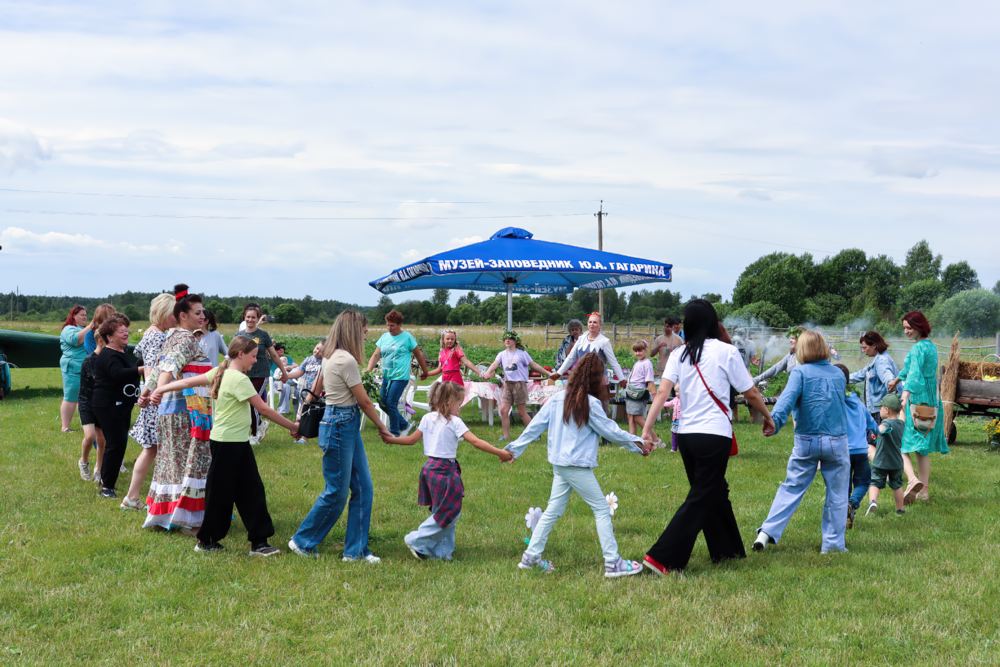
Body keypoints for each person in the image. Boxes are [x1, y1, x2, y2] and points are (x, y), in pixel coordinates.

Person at [640, 299, 773, 575]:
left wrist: (647, 429)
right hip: (714, 435)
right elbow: (749, 392)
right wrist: (768, 417)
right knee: (701, 496)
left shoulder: (679, 354)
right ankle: (662, 557)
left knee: (714, 491)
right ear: (714, 322)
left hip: (687, 436)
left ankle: (728, 551)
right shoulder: (727, 351)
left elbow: (662, 393)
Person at [505, 353, 650, 578]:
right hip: (576, 466)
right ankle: (613, 563)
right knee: (601, 509)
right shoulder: (589, 403)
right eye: (603, 375)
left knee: (553, 510)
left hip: (561, 464)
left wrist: (515, 448)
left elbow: (534, 427)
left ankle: (531, 557)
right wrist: (638, 443)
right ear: (594, 378)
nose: (605, 380)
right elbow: (610, 431)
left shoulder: (557, 398)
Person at [152, 336, 299, 556]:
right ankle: (207, 541)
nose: (254, 361)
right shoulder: (238, 379)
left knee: (250, 491)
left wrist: (160, 389)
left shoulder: (220, 373)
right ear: (240, 354)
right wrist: (293, 426)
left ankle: (258, 542)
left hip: (233, 444)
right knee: (222, 494)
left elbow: (184, 383)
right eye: (252, 356)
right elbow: (265, 410)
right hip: (228, 445)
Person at [288, 310, 393, 561]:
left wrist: (302, 414)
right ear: (353, 330)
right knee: (336, 490)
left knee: (363, 488)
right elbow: (365, 402)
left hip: (344, 424)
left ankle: (355, 551)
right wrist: (382, 427)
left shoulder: (331, 356)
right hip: (338, 425)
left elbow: (317, 388)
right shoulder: (344, 360)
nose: (367, 333)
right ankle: (303, 541)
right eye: (364, 329)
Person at [381, 381, 512, 560]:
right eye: (459, 403)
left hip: (429, 470)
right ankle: (416, 539)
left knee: (441, 510)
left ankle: (442, 552)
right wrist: (500, 453)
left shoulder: (428, 418)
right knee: (450, 511)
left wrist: (392, 439)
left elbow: (411, 440)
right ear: (449, 402)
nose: (460, 407)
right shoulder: (454, 422)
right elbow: (476, 441)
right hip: (445, 471)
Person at [752, 330, 849, 555]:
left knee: (791, 488)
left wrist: (773, 421)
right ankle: (833, 545)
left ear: (801, 350)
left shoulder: (800, 373)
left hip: (806, 441)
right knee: (837, 494)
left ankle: (766, 533)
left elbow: (786, 400)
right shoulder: (838, 374)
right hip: (837, 441)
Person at [140, 285, 213, 531]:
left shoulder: (172, 337)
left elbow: (160, 367)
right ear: (183, 316)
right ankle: (188, 520)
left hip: (171, 412)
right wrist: (158, 390)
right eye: (198, 313)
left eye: (203, 313)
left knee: (171, 463)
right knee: (190, 462)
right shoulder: (185, 339)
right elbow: (169, 368)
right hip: (185, 412)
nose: (203, 317)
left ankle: (169, 516)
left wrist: (147, 391)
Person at [121, 293, 176, 511]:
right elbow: (153, 368)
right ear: (163, 313)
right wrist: (153, 394)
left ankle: (133, 497)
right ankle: (134, 497)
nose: (176, 318)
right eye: (173, 314)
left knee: (151, 449)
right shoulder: (156, 337)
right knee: (153, 449)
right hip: (157, 400)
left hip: (154, 397)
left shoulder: (153, 334)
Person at [887, 311, 948, 504]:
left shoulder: (917, 349)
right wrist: (897, 379)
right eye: (904, 327)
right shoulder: (930, 347)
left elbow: (913, 374)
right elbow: (913, 369)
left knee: (899, 442)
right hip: (931, 402)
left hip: (916, 400)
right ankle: (924, 491)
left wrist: (904, 396)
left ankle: (913, 480)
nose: (906, 331)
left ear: (919, 326)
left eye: (909, 327)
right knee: (921, 448)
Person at [92, 315, 144, 499]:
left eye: (126, 330)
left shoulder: (120, 353)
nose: (125, 333)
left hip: (119, 406)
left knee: (118, 444)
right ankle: (107, 487)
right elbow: (117, 373)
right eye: (121, 331)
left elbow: (127, 371)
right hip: (108, 406)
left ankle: (106, 481)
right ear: (109, 337)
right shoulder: (108, 355)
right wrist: (140, 369)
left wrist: (141, 362)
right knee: (115, 444)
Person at [367, 309, 429, 436]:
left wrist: (425, 371)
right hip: (386, 376)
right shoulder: (384, 337)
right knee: (382, 402)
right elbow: (376, 355)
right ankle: (405, 424)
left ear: (399, 324)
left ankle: (395, 432)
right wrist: (368, 371)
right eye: (388, 325)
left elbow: (418, 354)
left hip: (400, 376)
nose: (389, 328)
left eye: (392, 325)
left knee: (391, 402)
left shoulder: (407, 337)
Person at [482, 330, 550, 441]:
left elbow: (533, 365)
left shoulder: (522, 353)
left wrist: (548, 373)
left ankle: (535, 434)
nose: (507, 340)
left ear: (515, 341)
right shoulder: (502, 354)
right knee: (504, 410)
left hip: (519, 384)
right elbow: (495, 364)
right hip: (508, 385)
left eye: (510, 339)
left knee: (522, 412)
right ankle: (506, 436)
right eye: (505, 339)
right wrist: (488, 372)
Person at [237, 304, 288, 443]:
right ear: (244, 317)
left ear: (258, 318)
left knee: (253, 404)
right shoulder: (239, 335)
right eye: (248, 317)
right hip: (244, 375)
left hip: (261, 374)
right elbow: (234, 356)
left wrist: (284, 372)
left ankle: (254, 435)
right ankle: (260, 424)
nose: (250, 320)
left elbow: (274, 355)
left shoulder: (263, 335)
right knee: (245, 404)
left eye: (253, 317)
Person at [836, 364, 876, 529]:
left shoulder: (836, 403)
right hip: (860, 450)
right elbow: (872, 424)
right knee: (864, 481)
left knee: (843, 484)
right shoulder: (858, 402)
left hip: (842, 450)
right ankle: (852, 504)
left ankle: (845, 509)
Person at [550, 312, 626, 392]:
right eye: (590, 322)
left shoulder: (604, 342)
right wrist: (559, 373)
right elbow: (571, 358)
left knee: (597, 403)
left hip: (598, 381)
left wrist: (621, 379)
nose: (592, 324)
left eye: (595, 322)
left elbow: (613, 362)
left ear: (600, 325)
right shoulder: (581, 339)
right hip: (582, 379)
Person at [866, 393, 907, 516]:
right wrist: (903, 409)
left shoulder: (886, 424)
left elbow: (882, 430)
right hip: (896, 463)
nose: (879, 410)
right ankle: (900, 509)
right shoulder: (901, 424)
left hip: (881, 462)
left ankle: (872, 502)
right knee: (897, 485)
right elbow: (902, 417)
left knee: (874, 482)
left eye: (881, 408)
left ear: (887, 411)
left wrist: (877, 429)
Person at [849, 331, 900, 423]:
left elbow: (888, 378)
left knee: (878, 436)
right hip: (878, 409)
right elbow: (860, 374)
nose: (863, 351)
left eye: (865, 348)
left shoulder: (881, 361)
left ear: (874, 346)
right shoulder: (877, 359)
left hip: (881, 411)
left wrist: (890, 383)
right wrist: (841, 377)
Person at [76, 332, 106, 483]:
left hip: (101, 404)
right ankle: (83, 461)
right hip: (86, 402)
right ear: (101, 341)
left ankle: (99, 469)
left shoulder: (108, 359)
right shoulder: (89, 360)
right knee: (90, 436)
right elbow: (99, 381)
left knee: (102, 439)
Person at [59, 305, 93, 431]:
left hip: (85, 367)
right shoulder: (68, 329)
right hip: (72, 367)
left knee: (86, 397)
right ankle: (65, 427)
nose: (85, 317)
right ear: (74, 316)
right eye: (81, 315)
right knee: (71, 397)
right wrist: (91, 326)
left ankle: (87, 424)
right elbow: (76, 340)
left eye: (86, 315)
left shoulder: (83, 329)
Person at [286, 340, 325, 443]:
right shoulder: (308, 360)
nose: (317, 352)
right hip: (304, 393)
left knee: (309, 415)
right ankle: (299, 436)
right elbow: (299, 372)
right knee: (301, 415)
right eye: (317, 348)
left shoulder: (325, 362)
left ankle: (305, 437)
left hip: (317, 394)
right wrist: (287, 376)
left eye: (321, 351)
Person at [624, 340, 656, 436]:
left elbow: (649, 381)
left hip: (639, 394)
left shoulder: (647, 363)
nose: (638, 353)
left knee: (637, 417)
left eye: (640, 350)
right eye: (636, 351)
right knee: (630, 416)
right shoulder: (638, 362)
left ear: (646, 350)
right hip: (631, 392)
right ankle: (633, 441)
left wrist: (655, 396)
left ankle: (655, 439)